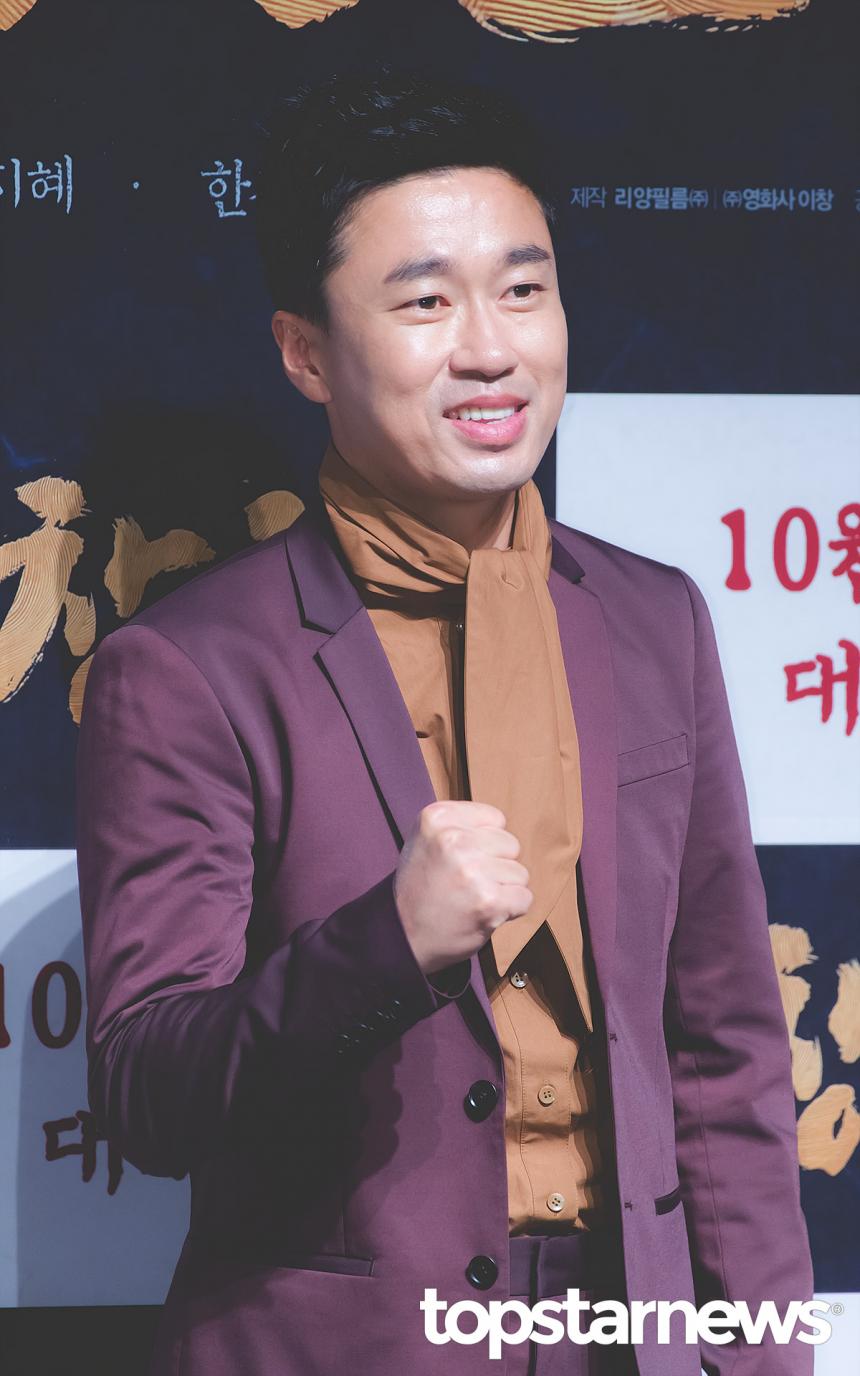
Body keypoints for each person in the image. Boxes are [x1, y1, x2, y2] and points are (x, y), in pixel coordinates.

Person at [75, 65, 815, 1376]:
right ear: (306, 352)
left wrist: (764, 1355)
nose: (490, 348)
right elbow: (150, 1093)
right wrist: (387, 942)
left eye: (523, 289)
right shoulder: (190, 668)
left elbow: (727, 1052)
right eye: (425, 301)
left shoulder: (656, 621)